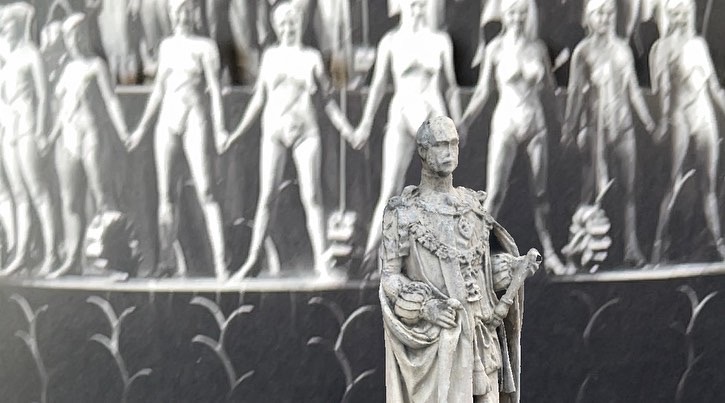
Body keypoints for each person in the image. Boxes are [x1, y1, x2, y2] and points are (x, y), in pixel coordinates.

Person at [380, 116, 533, 403]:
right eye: (440, 145)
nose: (449, 152)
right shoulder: (402, 213)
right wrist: (426, 307)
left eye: (453, 144)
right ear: (423, 150)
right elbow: (390, 277)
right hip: (437, 344)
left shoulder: (472, 206)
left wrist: (509, 269)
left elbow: (480, 272)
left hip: (481, 338)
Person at [226, 2, 353, 280]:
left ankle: (322, 263)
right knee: (266, 197)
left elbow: (328, 101)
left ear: (301, 24)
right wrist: (237, 132)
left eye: (293, 21)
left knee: (313, 197)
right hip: (274, 132)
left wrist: (347, 130)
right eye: (283, 22)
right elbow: (258, 100)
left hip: (306, 133)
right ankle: (253, 260)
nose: (288, 27)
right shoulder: (270, 57)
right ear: (275, 26)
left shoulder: (312, 58)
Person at [351, 0, 461, 271]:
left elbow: (451, 87)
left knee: (440, 190)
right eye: (412, 3)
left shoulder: (440, 40)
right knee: (390, 188)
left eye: (421, 4)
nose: (417, 9)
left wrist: (457, 122)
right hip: (402, 111)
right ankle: (371, 258)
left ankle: (443, 262)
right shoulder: (391, 41)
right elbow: (378, 85)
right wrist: (366, 122)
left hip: (433, 112)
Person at [459, 0, 565, 274]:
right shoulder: (495, 49)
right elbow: (483, 91)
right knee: (495, 192)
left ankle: (551, 254)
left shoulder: (537, 48)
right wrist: (465, 121)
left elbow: (550, 90)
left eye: (521, 13)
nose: (517, 18)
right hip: (506, 121)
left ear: (527, 15)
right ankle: (474, 256)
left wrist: (564, 123)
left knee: (541, 192)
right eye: (512, 13)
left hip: (534, 122)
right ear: (504, 15)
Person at [126, 0, 229, 281]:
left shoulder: (205, 46)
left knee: (206, 190)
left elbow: (215, 91)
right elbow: (158, 91)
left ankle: (221, 263)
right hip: (167, 121)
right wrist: (141, 129)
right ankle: (166, 262)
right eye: (176, 11)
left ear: (193, 13)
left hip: (195, 117)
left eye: (186, 10)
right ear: (170, 15)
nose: (181, 16)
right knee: (166, 195)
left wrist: (220, 128)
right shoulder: (167, 47)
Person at [562, 0, 655, 267]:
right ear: (589, 17)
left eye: (608, 13)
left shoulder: (623, 49)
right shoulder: (583, 51)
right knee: (589, 190)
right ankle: (579, 248)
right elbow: (575, 94)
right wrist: (570, 128)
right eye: (599, 13)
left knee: (629, 189)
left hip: (623, 128)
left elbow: (633, 90)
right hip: (595, 130)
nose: (604, 18)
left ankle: (631, 248)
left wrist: (649, 123)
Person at [45, 13, 131, 278]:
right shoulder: (66, 70)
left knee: (102, 195)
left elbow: (111, 100)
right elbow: (62, 110)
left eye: (80, 34)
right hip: (68, 137)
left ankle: (115, 260)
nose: (76, 40)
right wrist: (50, 137)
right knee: (70, 200)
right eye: (71, 36)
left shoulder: (96, 66)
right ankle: (73, 258)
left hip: (92, 134)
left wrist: (123, 131)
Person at [649, 0, 725, 262]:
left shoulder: (698, 44)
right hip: (679, 116)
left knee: (708, 184)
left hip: (703, 114)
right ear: (668, 15)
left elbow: (714, 87)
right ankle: (658, 245)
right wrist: (662, 122)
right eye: (674, 13)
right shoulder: (662, 48)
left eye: (683, 12)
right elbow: (662, 91)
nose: (680, 18)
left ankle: (717, 241)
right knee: (674, 181)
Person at [0, 3, 59, 277]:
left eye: (8, 23)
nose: (3, 28)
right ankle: (22, 253)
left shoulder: (31, 54)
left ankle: (51, 253)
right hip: (9, 127)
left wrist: (40, 130)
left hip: (27, 123)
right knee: (19, 193)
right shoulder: (7, 58)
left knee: (38, 191)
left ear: (19, 24)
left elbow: (44, 95)